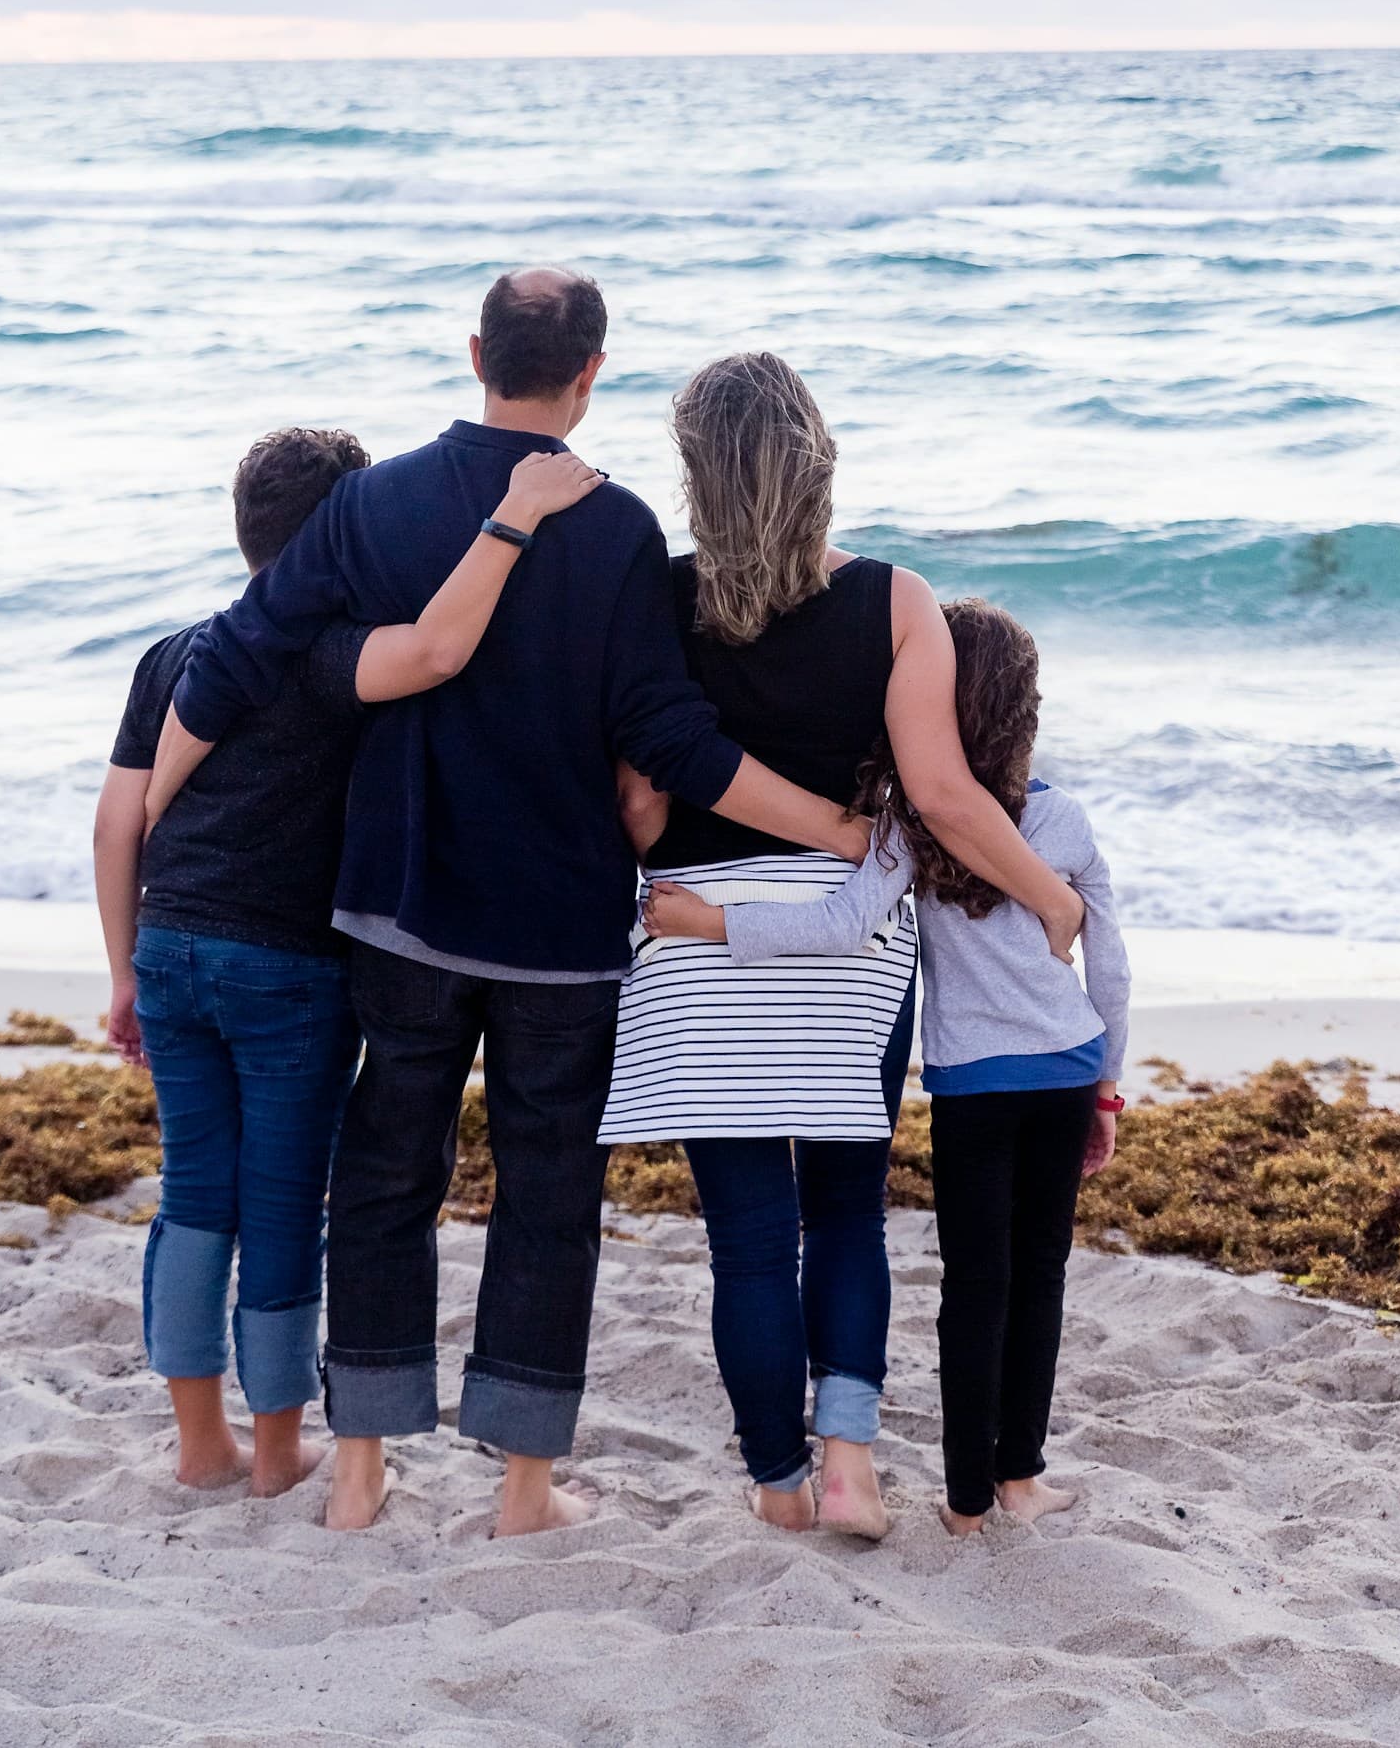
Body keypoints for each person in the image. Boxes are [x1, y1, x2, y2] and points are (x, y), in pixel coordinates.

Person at [145, 271, 868, 1539]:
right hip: (557, 929)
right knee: (545, 1198)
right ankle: (524, 1491)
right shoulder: (619, 529)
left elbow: (241, 650)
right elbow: (671, 738)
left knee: (383, 1180)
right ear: (591, 372)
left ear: (475, 350)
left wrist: (154, 808)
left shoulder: (373, 503)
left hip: (401, 909)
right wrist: (844, 833)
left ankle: (360, 1469)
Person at [596, 354, 1088, 1539]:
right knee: (846, 1215)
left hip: (697, 944)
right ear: (817, 459)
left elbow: (639, 814)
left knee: (750, 1240)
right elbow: (943, 795)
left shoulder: (655, 602)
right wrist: (1050, 903)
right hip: (847, 945)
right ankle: (853, 1462)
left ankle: (777, 1485)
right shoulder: (893, 600)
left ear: (694, 475)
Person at [95, 425, 602, 1496]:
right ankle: (277, 1453)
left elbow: (116, 825)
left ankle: (198, 1446)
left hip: (171, 949)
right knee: (281, 1206)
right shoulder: (328, 657)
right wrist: (514, 521)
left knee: (195, 1195)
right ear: (345, 532)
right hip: (285, 970)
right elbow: (432, 650)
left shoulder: (175, 651)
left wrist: (123, 973)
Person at [648, 596, 1130, 1536]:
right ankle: (1020, 1476)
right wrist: (1109, 1081)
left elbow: (838, 924)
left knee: (975, 1284)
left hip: (972, 1089)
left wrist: (709, 922)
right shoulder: (1062, 820)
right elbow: (1108, 963)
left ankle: (961, 1505)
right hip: (1068, 1072)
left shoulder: (911, 824)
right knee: (1042, 1277)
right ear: (1026, 712)